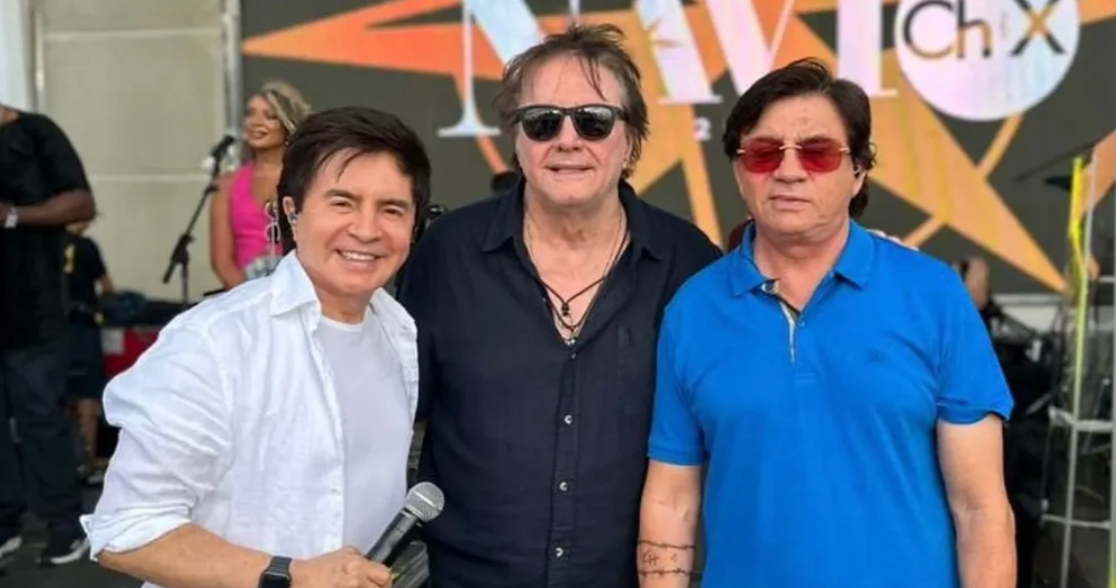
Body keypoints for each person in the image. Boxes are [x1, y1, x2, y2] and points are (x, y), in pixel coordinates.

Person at [638, 59, 1016, 588]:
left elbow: (981, 510)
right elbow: (671, 501)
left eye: (817, 153)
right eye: (764, 153)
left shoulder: (933, 296)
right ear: (740, 171)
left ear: (858, 170)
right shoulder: (693, 310)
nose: (788, 171)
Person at [397, 24, 722, 588]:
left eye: (593, 121)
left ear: (631, 140)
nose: (567, 139)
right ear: (517, 140)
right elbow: (390, 420)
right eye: (543, 121)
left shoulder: (689, 263)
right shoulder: (446, 255)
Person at [81, 106, 430, 588]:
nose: (367, 230)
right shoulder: (214, 341)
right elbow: (126, 529)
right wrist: (292, 576)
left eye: (391, 209)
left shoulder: (397, 331)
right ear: (292, 211)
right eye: (342, 203)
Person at [0, 102, 96, 566]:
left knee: (40, 415)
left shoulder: (35, 132)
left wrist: (13, 216)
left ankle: (64, 525)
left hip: (32, 305)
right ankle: (5, 525)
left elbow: (81, 202)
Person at [209, 81, 310, 289]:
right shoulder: (227, 184)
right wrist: (252, 299)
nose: (256, 122)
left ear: (287, 123)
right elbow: (222, 262)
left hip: (302, 287)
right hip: (246, 291)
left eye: (270, 116)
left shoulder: (307, 178)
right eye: (250, 114)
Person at [63, 217, 115, 485]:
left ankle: (61, 464)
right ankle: (89, 462)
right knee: (87, 395)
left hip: (49, 330)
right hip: (82, 327)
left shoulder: (45, 246)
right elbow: (107, 287)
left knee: (54, 395)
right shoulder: (86, 247)